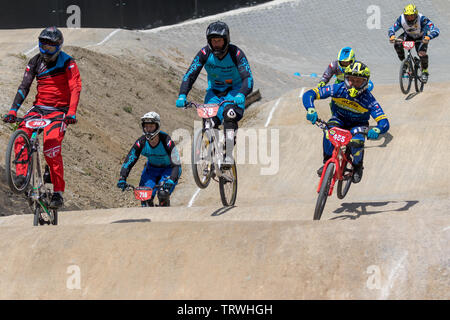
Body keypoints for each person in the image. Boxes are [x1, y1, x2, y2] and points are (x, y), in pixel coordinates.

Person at [3, 26, 82, 208]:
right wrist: (13, 110)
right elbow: (24, 86)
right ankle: (22, 175)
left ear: (59, 47)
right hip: (38, 108)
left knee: (51, 145)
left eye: (50, 47)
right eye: (42, 46)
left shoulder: (68, 63)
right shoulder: (35, 61)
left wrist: (71, 112)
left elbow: (75, 88)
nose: (45, 51)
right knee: (20, 134)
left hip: (59, 111)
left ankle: (58, 192)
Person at [175, 20, 253, 168]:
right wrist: (182, 95)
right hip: (214, 94)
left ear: (226, 40)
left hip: (235, 93)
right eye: (213, 41)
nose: (216, 44)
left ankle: (228, 154)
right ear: (209, 41)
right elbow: (190, 75)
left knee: (229, 114)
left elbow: (247, 78)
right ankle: (213, 154)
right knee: (209, 122)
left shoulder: (236, 53)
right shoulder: (204, 53)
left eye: (219, 40)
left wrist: (242, 94)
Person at [302, 61, 390, 183]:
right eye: (351, 80)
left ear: (365, 83)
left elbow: (384, 122)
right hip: (339, 119)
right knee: (329, 133)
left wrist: (377, 129)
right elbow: (310, 93)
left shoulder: (368, 99)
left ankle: (358, 166)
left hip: (358, 125)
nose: (354, 84)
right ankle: (327, 162)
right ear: (345, 79)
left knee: (356, 142)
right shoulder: (338, 88)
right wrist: (310, 108)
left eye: (358, 81)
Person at [117, 112, 181, 207]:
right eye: (146, 126)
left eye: (151, 126)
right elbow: (129, 161)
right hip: (151, 170)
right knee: (144, 196)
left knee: (163, 194)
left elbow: (176, 164)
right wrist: (122, 177)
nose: (148, 129)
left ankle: (165, 210)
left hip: (169, 169)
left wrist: (172, 179)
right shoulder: (141, 142)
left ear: (157, 126)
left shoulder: (166, 140)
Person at [388, 3, 440, 83]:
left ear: (416, 15)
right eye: (407, 16)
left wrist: (429, 37)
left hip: (421, 37)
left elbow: (435, 30)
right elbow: (392, 28)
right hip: (408, 36)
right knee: (397, 44)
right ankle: (405, 63)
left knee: (422, 54)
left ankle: (425, 71)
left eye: (412, 16)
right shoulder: (401, 19)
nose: (409, 18)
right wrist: (391, 36)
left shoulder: (422, 19)